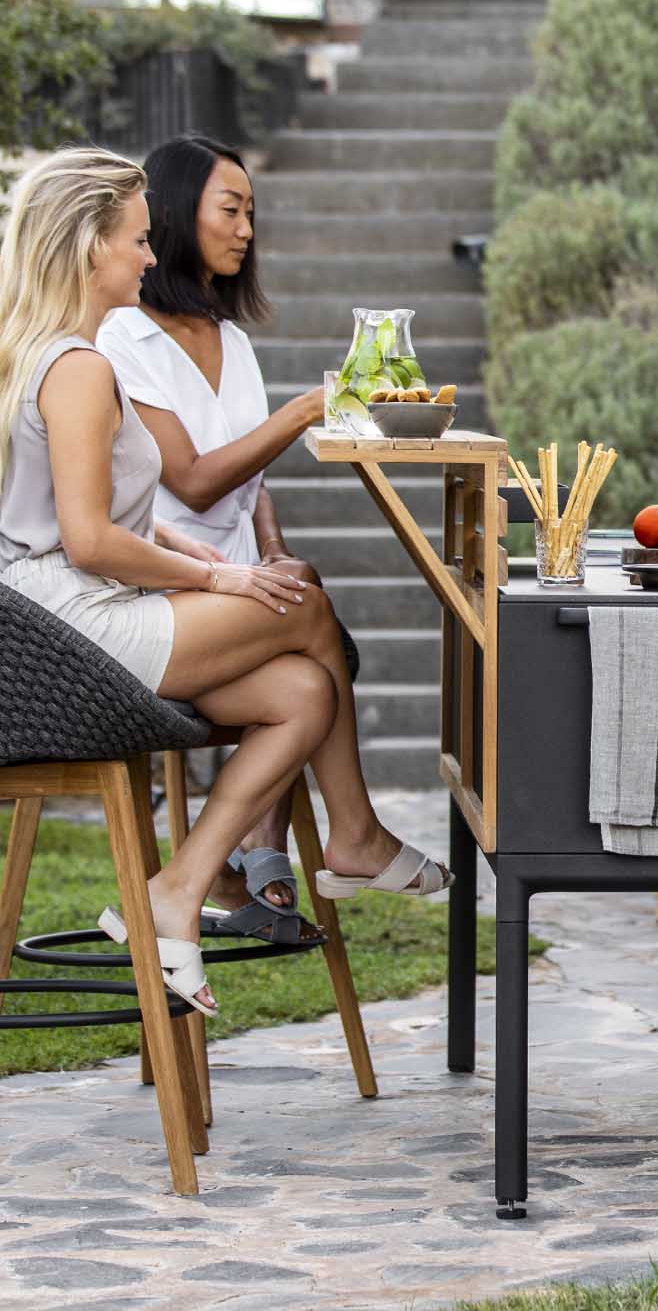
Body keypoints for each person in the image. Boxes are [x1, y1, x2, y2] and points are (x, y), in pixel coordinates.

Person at [0, 147, 449, 1018]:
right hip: (76, 628)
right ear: (90, 245)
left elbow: (110, 515)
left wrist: (213, 565)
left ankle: (183, 886)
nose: (146, 254)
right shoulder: (82, 367)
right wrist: (226, 581)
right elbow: (92, 542)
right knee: (303, 600)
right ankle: (352, 836)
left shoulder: (42, 354)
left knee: (301, 688)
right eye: (134, 238)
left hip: (62, 615)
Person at [97, 134, 327, 940]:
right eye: (230, 210)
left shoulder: (231, 340)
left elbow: (250, 485)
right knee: (314, 623)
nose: (246, 230)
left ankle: (202, 876)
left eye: (252, 214)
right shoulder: (121, 337)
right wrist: (305, 411)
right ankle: (319, 846)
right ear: (168, 213)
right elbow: (193, 479)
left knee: (313, 677)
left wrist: (271, 550)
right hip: (157, 586)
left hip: (229, 581)